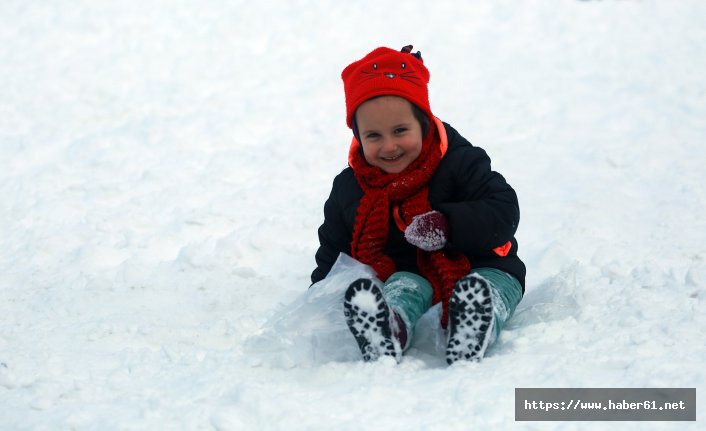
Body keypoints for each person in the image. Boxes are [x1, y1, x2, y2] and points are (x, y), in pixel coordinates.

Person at [311, 45, 526, 365]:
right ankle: (388, 328)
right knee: (401, 288)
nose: (389, 146)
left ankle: (474, 323)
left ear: (424, 124)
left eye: (400, 131)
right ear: (358, 136)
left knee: (487, 285)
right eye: (373, 136)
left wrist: (449, 224)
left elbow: (503, 209)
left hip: (483, 261)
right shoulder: (351, 187)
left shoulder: (461, 162)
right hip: (408, 270)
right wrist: (323, 292)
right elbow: (335, 246)